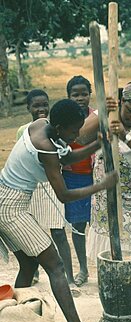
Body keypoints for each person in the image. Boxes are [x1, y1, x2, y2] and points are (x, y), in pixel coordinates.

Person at [0, 99, 118, 322]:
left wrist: (99, 143)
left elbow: (67, 157)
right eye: (73, 130)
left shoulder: (42, 125)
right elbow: (63, 194)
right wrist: (100, 186)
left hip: (6, 201)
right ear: (60, 126)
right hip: (11, 208)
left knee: (29, 266)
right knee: (56, 266)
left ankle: (13, 321)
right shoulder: (46, 148)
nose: (76, 134)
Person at [77, 80, 131, 277]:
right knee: (109, 247)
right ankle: (111, 287)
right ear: (121, 102)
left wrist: (126, 137)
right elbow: (81, 138)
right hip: (108, 192)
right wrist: (105, 112)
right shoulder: (106, 113)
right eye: (130, 110)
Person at [16, 89, 80, 297]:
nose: (41, 109)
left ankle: (68, 277)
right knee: (31, 233)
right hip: (33, 188)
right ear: (28, 108)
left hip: (52, 186)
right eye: (36, 106)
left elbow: (63, 157)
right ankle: (32, 273)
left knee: (58, 232)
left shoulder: (55, 130)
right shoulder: (24, 131)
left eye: (45, 105)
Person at [62, 76, 95, 287]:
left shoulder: (96, 117)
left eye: (84, 94)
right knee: (78, 225)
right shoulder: (63, 119)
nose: (80, 98)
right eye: (75, 94)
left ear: (90, 95)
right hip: (72, 178)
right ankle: (83, 268)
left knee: (100, 225)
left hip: (95, 176)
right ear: (69, 97)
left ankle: (103, 265)